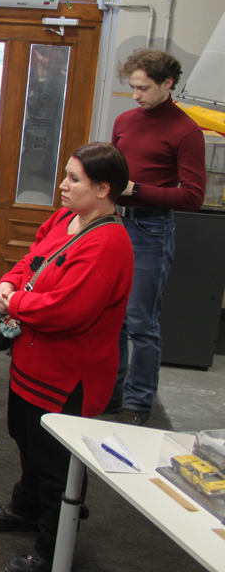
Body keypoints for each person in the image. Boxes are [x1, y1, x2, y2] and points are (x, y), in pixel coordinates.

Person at [0, 143, 134, 572]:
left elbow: (69, 310)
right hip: (31, 363)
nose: (63, 185)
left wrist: (14, 304)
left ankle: (53, 547)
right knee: (27, 442)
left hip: (68, 377)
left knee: (57, 465)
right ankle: (27, 507)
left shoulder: (108, 243)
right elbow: (32, 260)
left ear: (103, 189)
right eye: (66, 174)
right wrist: (9, 282)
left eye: (74, 179)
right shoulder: (66, 218)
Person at [110, 49, 206, 426]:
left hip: (152, 229)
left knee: (140, 322)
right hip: (115, 224)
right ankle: (112, 393)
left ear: (167, 83)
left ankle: (138, 403)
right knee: (113, 316)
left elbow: (193, 197)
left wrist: (136, 189)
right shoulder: (125, 121)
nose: (136, 95)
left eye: (144, 88)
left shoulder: (186, 130)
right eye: (133, 87)